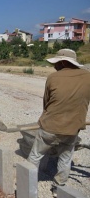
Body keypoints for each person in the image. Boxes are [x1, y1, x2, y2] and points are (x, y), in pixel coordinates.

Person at [26, 49, 90, 197]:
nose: (54, 66)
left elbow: (46, 103)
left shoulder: (53, 78)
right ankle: (58, 188)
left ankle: (27, 184)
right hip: (72, 129)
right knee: (66, 158)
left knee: (35, 155)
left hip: (49, 127)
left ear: (62, 62)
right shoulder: (88, 77)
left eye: (56, 63)